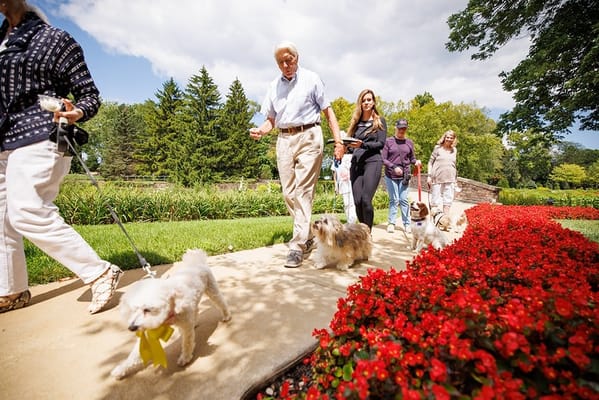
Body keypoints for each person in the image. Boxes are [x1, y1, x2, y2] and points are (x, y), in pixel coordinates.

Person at [0, 0, 122, 314]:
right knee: (1, 221)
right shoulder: (2, 42)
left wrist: (77, 110)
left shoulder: (55, 39)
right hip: (3, 142)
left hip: (40, 133)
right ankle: (10, 290)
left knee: (26, 210)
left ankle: (100, 271)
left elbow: (89, 94)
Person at [249, 41, 344, 268]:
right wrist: (261, 131)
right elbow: (271, 120)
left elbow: (328, 113)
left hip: (309, 135)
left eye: (289, 60)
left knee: (303, 192)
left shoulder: (312, 79)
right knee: (288, 193)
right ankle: (309, 235)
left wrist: (339, 141)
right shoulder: (273, 86)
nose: (285, 65)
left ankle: (297, 246)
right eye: (281, 62)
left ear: (296, 58)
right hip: (283, 139)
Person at [345, 89, 387, 231]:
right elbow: (352, 146)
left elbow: (381, 143)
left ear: (373, 102)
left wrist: (362, 144)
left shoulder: (379, 121)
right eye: (363, 100)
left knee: (366, 200)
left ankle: (367, 234)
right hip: (357, 163)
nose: (366, 102)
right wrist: (345, 148)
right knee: (357, 201)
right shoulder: (356, 123)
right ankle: (362, 233)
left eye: (369, 100)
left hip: (373, 162)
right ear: (360, 103)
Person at [381, 119, 421, 234]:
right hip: (391, 175)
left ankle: (407, 224)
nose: (401, 130)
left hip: (405, 175)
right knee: (394, 199)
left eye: (404, 128)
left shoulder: (409, 142)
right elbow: (383, 159)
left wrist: (416, 162)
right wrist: (394, 167)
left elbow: (412, 158)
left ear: (406, 129)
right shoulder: (389, 142)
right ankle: (391, 223)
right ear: (396, 127)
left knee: (403, 200)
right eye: (400, 128)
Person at [427, 130, 458, 215]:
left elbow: (454, 165)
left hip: (450, 178)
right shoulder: (437, 148)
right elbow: (430, 162)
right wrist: (429, 176)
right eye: (447, 137)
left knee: (448, 201)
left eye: (451, 138)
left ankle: (445, 222)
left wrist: (455, 180)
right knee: (435, 202)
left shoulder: (454, 150)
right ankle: (433, 222)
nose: (449, 139)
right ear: (444, 137)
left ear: (454, 139)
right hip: (437, 178)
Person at [331, 133, 357, 224]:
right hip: (342, 184)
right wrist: (336, 186)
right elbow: (334, 173)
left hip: (351, 183)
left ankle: (352, 221)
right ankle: (349, 220)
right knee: (346, 203)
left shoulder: (351, 157)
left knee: (352, 202)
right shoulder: (336, 159)